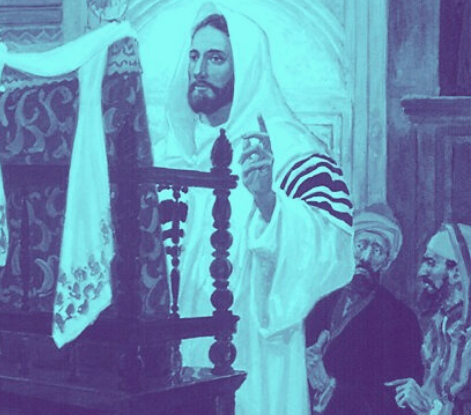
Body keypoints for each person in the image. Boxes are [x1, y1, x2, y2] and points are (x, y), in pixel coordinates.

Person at [151, 5, 354, 415]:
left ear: (244, 67)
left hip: (254, 354)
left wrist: (268, 202)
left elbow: (333, 248)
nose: (199, 70)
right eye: (194, 56)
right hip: (176, 347)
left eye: (215, 58)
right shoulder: (169, 153)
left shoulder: (291, 152)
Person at [305, 205, 424, 414]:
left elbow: (399, 400)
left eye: (377, 251)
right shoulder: (321, 306)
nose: (366, 258)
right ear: (349, 249)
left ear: (386, 261)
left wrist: (330, 386)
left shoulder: (401, 320)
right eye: (360, 246)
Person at [387, 223, 471, 415]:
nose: (421, 272)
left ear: (456, 273)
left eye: (431, 263)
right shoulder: (440, 324)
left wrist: (428, 408)